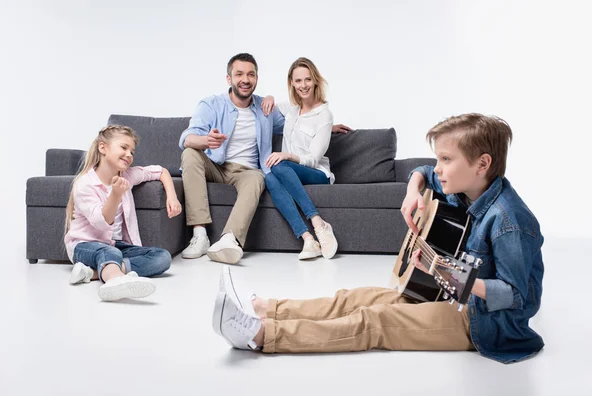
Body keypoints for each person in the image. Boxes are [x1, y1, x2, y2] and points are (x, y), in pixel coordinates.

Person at [211, 113, 545, 364]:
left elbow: (515, 296)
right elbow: (424, 172)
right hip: (446, 293)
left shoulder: (510, 221)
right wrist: (413, 191)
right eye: (439, 157)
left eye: (446, 159)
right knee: (357, 297)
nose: (438, 167)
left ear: (482, 164)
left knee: (375, 320)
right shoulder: (465, 186)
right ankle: (265, 309)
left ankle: (260, 334)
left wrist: (445, 272)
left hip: (481, 323)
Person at [179, 53, 351, 264]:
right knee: (190, 154)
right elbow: (186, 139)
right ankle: (200, 236)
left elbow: (305, 131)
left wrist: (326, 128)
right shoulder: (212, 104)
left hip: (251, 172)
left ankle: (230, 239)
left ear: (256, 79)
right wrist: (206, 140)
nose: (245, 79)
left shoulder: (266, 110)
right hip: (215, 165)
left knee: (263, 176)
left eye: (251, 74)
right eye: (239, 74)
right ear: (228, 79)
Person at [64, 125, 181, 301]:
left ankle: (93, 273)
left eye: (132, 151)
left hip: (114, 245)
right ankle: (115, 280)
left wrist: (172, 197)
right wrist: (116, 194)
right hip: (85, 245)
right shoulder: (85, 184)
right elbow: (102, 222)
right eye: (124, 148)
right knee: (110, 252)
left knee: (162, 257)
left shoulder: (127, 176)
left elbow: (160, 171)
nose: (129, 155)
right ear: (103, 148)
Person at [259, 57, 340, 260]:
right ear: (292, 84)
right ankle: (308, 239)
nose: (303, 85)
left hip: (317, 173)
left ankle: (318, 222)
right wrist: (268, 97)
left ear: (315, 81)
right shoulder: (291, 110)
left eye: (307, 80)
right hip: (288, 171)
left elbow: (313, 159)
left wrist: (287, 155)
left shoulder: (324, 115)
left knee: (279, 165)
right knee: (269, 177)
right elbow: (270, 106)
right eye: (298, 81)